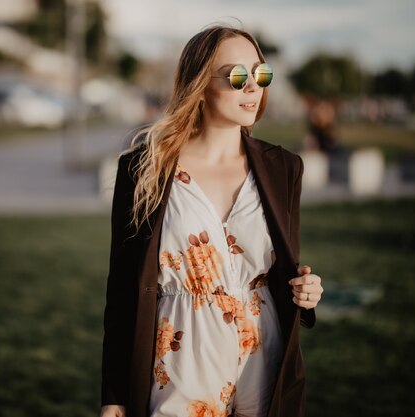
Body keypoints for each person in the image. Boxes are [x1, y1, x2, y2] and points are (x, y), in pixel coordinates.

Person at [100, 25, 324, 417]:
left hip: (262, 359)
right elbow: (122, 286)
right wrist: (114, 393)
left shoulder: (285, 168)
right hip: (179, 362)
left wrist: (306, 291)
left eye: (261, 74)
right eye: (238, 76)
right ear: (199, 84)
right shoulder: (143, 168)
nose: (253, 87)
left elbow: (280, 267)